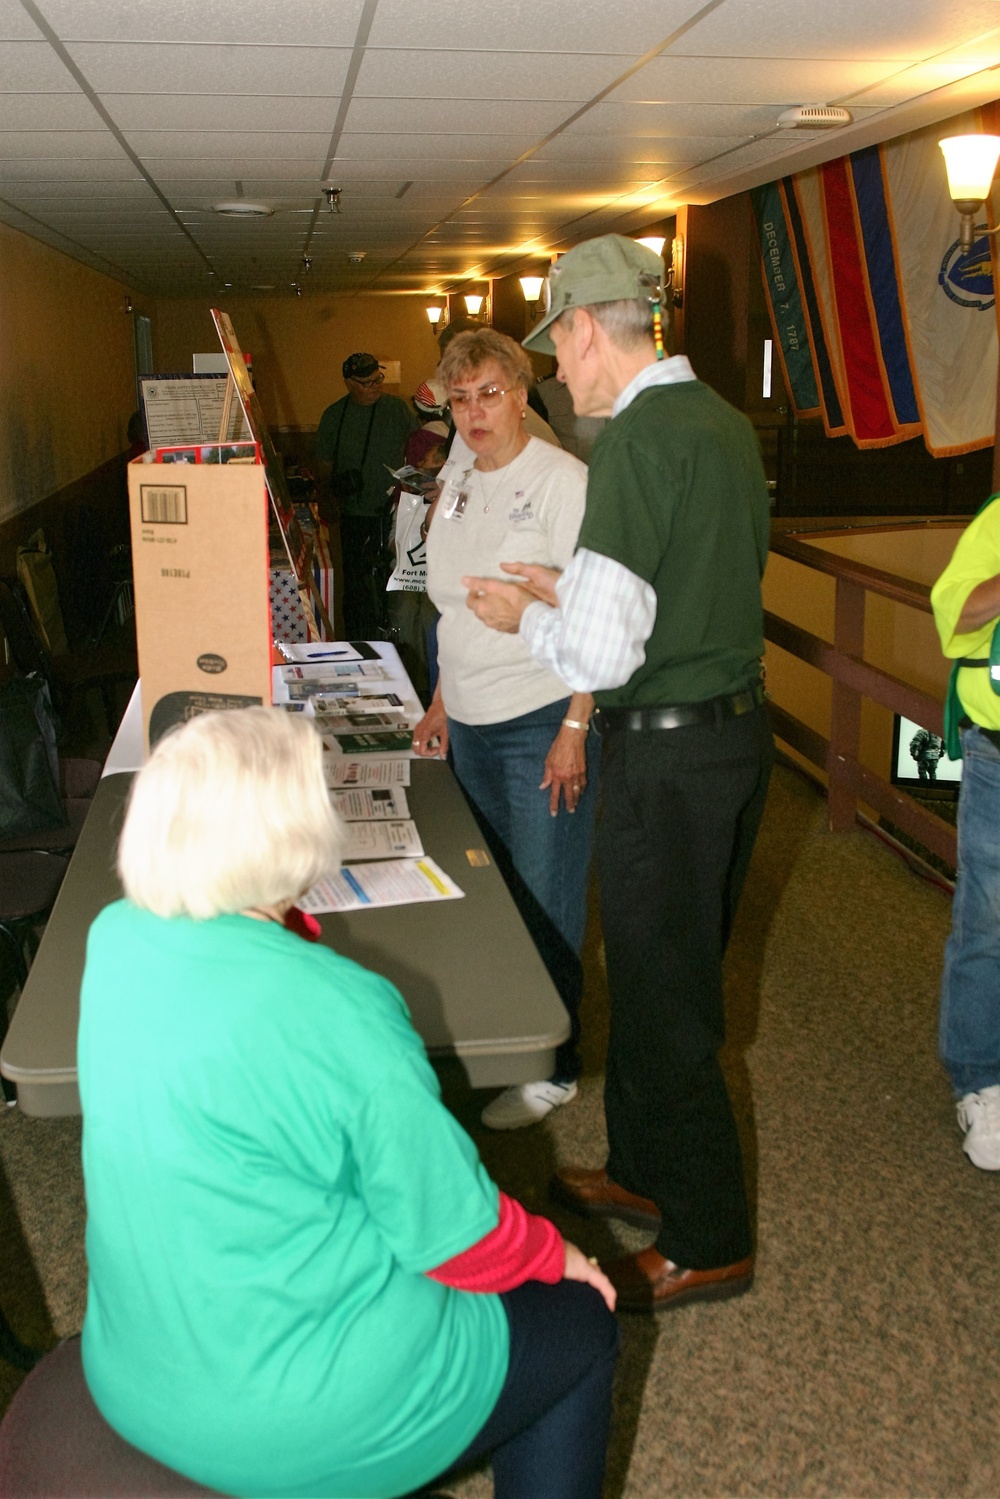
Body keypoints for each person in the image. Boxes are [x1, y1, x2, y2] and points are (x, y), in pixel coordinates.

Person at [77, 708, 618, 1499]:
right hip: (296, 1422)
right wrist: (556, 1255)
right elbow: (457, 1239)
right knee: (582, 1327)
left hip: (134, 1369)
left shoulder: (114, 937)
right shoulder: (342, 1005)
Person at [463, 234, 773, 1312]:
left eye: (560, 348)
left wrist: (526, 611)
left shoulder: (638, 438)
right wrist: (570, 589)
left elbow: (601, 655)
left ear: (588, 327)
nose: (561, 372)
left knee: (667, 995)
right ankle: (646, 1169)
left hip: (667, 755)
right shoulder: (722, 423)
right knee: (650, 976)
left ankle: (708, 1235)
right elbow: (675, 587)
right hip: (729, 738)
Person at [412, 328, 599, 1132]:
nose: (474, 412)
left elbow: (597, 613)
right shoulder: (456, 477)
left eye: (490, 393)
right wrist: (440, 701)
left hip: (538, 718)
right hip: (473, 720)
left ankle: (553, 1067)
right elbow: (452, 607)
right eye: (459, 398)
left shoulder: (563, 481)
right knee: (495, 892)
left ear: (524, 394)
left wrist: (576, 726)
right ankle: (512, 1035)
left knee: (547, 896)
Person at [931, 496, 1000, 1170]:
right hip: (999, 755)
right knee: (989, 919)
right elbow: (954, 614)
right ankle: (980, 1078)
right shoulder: (997, 521)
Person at [314, 351, 417, 638]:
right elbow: (323, 467)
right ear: (349, 384)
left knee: (394, 586)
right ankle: (359, 643)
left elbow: (420, 449)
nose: (375, 387)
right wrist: (326, 501)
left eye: (378, 380)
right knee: (358, 587)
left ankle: (394, 644)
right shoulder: (334, 415)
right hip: (354, 515)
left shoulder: (397, 409)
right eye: (367, 383)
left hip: (395, 513)